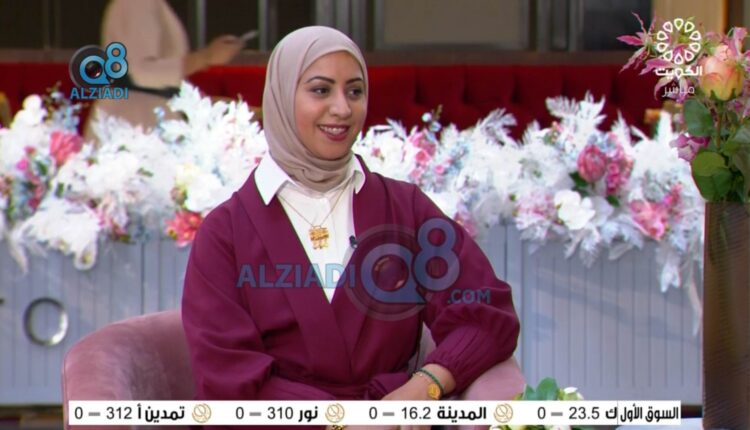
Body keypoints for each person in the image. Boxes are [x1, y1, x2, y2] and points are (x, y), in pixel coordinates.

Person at [181, 25, 519, 419]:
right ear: (281, 97)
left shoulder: (404, 209)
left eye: (354, 91)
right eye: (321, 90)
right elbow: (228, 378)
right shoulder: (225, 233)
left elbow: (487, 314)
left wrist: (425, 385)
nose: (342, 109)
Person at [83, 0, 243, 138]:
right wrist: (205, 57)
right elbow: (139, 71)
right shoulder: (137, 3)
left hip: (143, 121)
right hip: (134, 123)